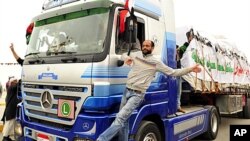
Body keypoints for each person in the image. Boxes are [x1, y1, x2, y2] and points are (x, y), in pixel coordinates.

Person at [97, 40, 201, 141]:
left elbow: (173, 72)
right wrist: (127, 58)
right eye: (143, 45)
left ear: (152, 48)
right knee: (124, 122)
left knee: (120, 118)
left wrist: (190, 69)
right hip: (127, 91)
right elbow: (123, 54)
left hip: (137, 95)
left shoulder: (156, 62)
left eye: (147, 46)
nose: (145, 47)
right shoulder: (137, 55)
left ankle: (101, 139)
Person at [176, 30, 195, 113]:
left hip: (178, 72)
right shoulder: (184, 46)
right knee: (177, 90)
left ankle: (178, 106)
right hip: (175, 72)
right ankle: (177, 105)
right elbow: (182, 50)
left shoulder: (190, 46)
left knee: (178, 91)